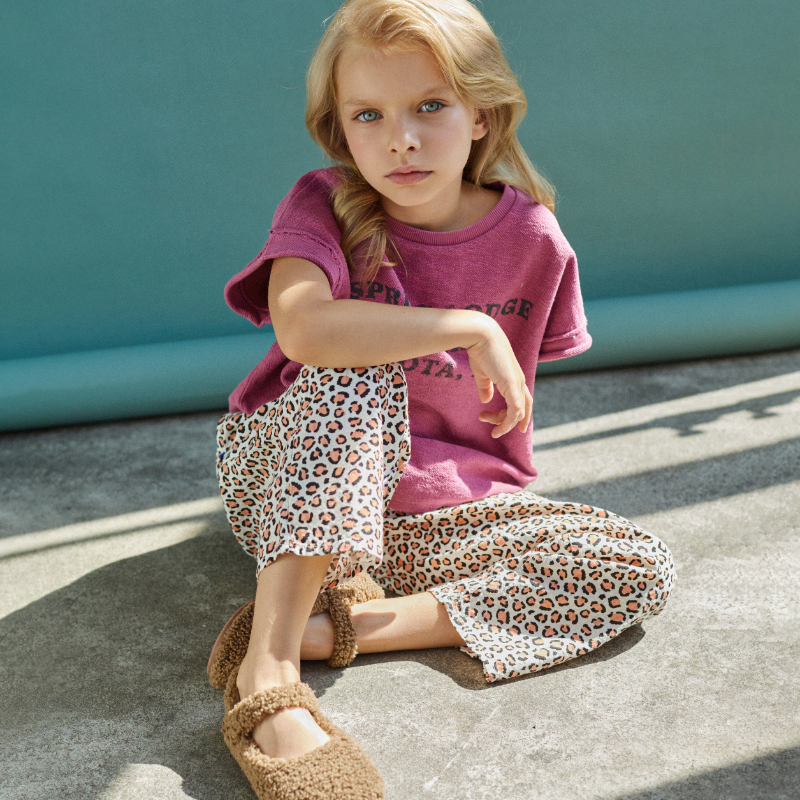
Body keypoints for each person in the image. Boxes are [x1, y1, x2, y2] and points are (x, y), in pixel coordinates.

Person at [208, 1, 676, 798]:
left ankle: (328, 626)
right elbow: (305, 329)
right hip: (292, 482)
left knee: (634, 565)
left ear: (482, 113)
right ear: (341, 128)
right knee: (356, 362)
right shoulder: (321, 204)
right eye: (369, 114)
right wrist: (465, 326)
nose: (402, 138)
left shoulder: (533, 238)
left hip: (440, 514)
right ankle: (269, 673)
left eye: (431, 106)